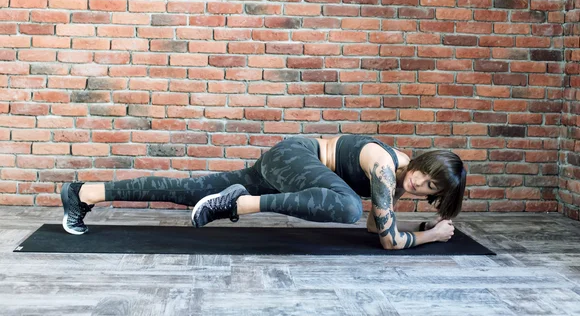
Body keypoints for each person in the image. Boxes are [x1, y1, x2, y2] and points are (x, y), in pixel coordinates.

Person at [61, 134, 466, 250]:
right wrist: (430, 235)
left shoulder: (394, 183)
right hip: (294, 158)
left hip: (288, 172)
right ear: (421, 160)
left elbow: (376, 232)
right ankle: (238, 204)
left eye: (429, 187)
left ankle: (82, 194)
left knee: (186, 190)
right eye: (424, 174)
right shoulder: (384, 166)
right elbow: (389, 241)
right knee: (345, 206)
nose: (418, 183)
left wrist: (410, 224)